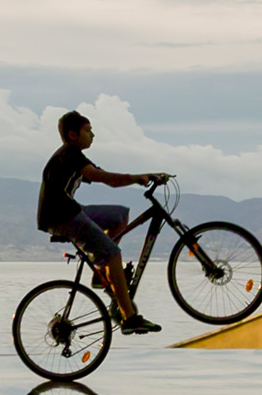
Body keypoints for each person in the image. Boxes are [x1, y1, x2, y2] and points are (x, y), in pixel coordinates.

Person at [36, 110, 167, 334]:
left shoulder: (74, 155)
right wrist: (136, 178)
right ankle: (130, 318)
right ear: (73, 134)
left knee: (119, 215)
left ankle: (101, 272)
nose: (93, 135)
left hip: (68, 210)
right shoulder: (69, 154)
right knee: (114, 254)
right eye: (88, 130)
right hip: (61, 216)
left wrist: (147, 174)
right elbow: (104, 179)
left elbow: (107, 178)